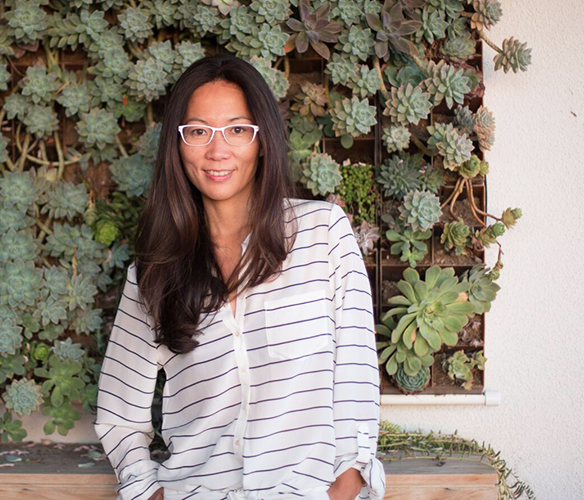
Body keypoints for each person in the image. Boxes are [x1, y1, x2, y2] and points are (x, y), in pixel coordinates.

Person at [94, 53, 384, 500]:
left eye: (236, 129)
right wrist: (145, 490)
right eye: (197, 131)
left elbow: (356, 379)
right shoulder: (154, 271)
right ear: (177, 144)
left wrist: (346, 486)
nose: (217, 150)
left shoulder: (322, 234)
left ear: (262, 140)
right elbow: (118, 414)